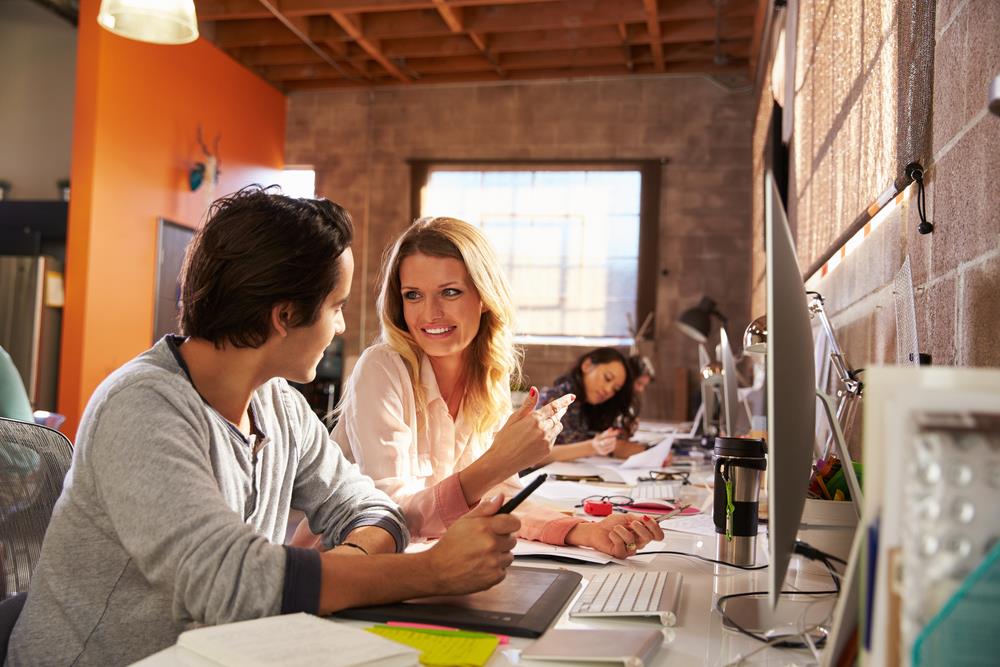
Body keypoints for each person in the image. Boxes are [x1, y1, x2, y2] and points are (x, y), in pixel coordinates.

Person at [6, 190, 520, 666]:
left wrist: (353, 565)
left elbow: (372, 508)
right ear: (285, 315)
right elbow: (230, 582)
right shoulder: (141, 408)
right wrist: (430, 573)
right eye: (337, 307)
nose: (341, 327)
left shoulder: (279, 405)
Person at [294, 217, 662, 559]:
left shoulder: (487, 379)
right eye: (413, 295)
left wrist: (585, 531)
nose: (430, 313)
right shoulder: (382, 368)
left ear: (484, 297)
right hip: (341, 574)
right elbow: (390, 519)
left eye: (450, 292)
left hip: (425, 571)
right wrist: (498, 462)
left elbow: (502, 498)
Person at [537, 347, 635, 462]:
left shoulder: (590, 405)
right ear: (587, 365)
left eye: (615, 389)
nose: (609, 390)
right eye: (607, 378)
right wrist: (592, 447)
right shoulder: (555, 399)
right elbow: (535, 456)